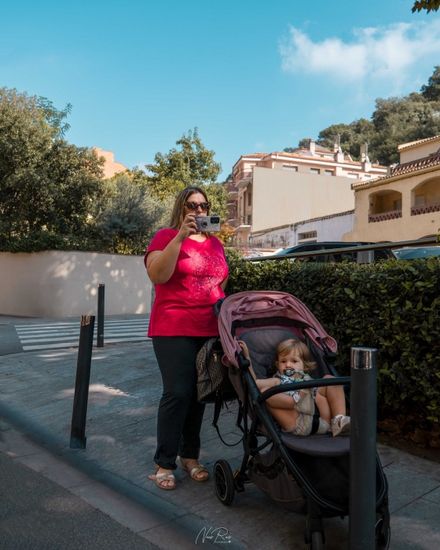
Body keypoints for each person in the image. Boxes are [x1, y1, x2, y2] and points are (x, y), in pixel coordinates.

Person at [145, 186, 229, 490]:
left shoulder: (216, 243)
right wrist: (180, 237)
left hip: (208, 327)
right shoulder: (164, 236)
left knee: (199, 394)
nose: (198, 211)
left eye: (204, 205)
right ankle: (163, 463)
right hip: (173, 325)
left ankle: (189, 456)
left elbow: (221, 281)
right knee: (178, 392)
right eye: (192, 205)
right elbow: (157, 275)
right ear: (181, 208)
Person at [239, 338, 350, 437]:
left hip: (323, 421)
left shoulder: (305, 378)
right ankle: (294, 399)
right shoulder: (278, 380)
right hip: (300, 423)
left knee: (329, 379)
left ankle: (339, 421)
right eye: (283, 361)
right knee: (265, 392)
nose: (288, 365)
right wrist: (247, 359)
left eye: (294, 361)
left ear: (305, 366)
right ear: (278, 365)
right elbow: (254, 384)